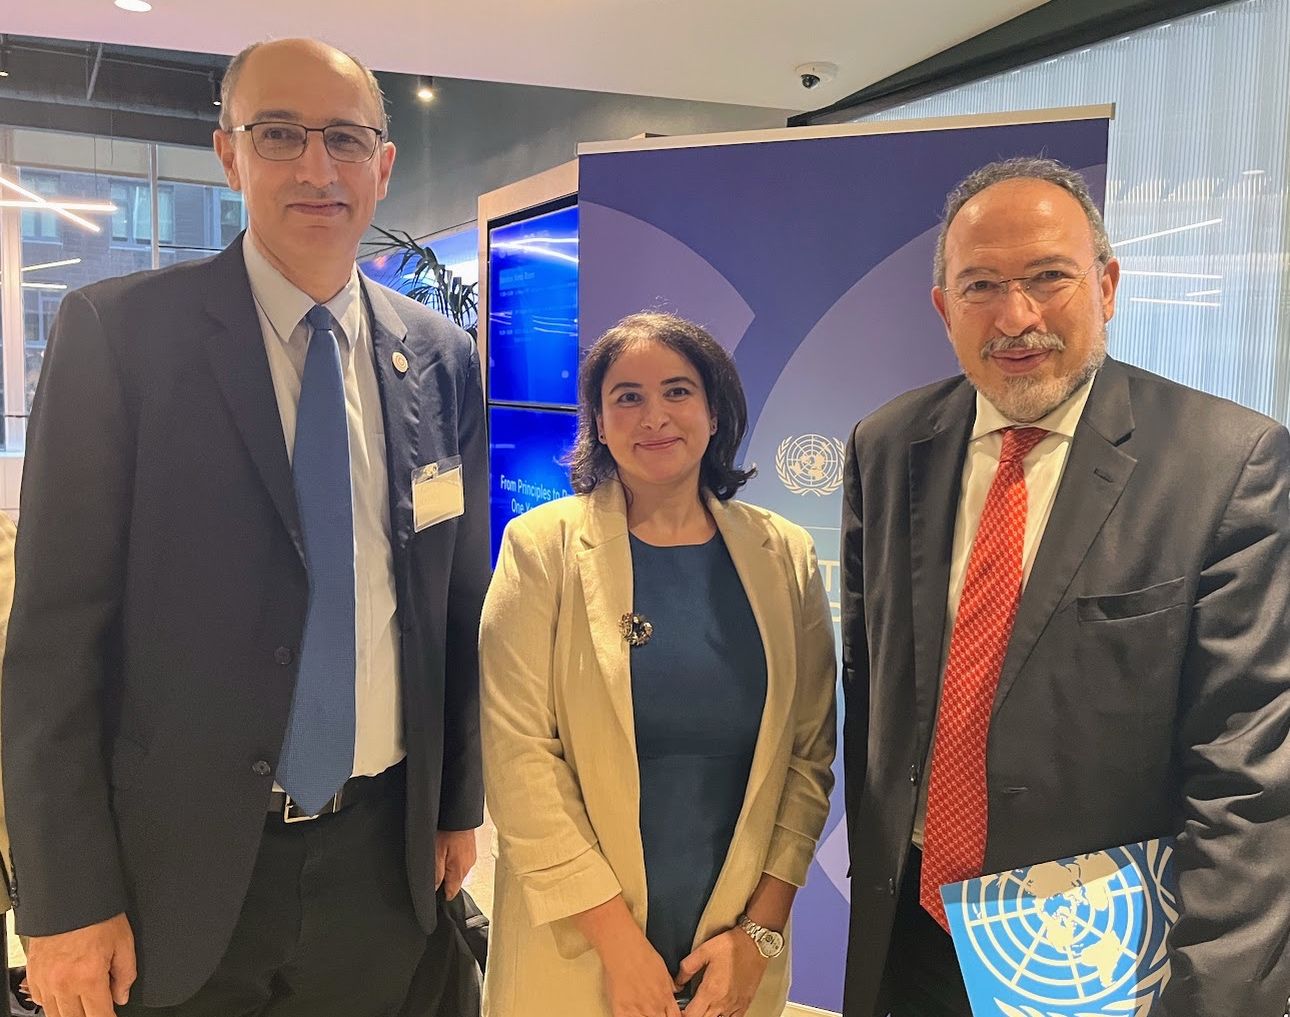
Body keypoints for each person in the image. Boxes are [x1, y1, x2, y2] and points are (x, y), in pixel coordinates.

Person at [1, 37, 489, 1017]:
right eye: (279, 135)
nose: (317, 168)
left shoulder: (440, 355)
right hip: (176, 874)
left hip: (381, 862)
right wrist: (65, 900)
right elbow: (53, 645)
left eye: (344, 138)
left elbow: (452, 605)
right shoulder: (119, 336)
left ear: (384, 163)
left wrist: (454, 806)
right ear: (228, 154)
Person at [840, 156, 1290, 1017]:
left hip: (1096, 959)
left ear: (1107, 286)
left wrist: (1213, 996)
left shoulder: (1226, 465)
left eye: (1049, 277)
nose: (1017, 317)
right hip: (913, 938)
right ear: (943, 308)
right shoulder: (886, 447)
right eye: (981, 286)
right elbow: (874, 699)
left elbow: (1247, 773)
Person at [480, 312, 836, 1017]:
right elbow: (518, 761)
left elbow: (808, 757)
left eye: (677, 391)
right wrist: (619, 946)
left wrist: (759, 933)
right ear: (599, 422)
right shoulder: (540, 549)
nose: (654, 417)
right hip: (580, 945)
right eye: (628, 397)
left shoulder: (785, 555)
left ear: (714, 412)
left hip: (730, 947)